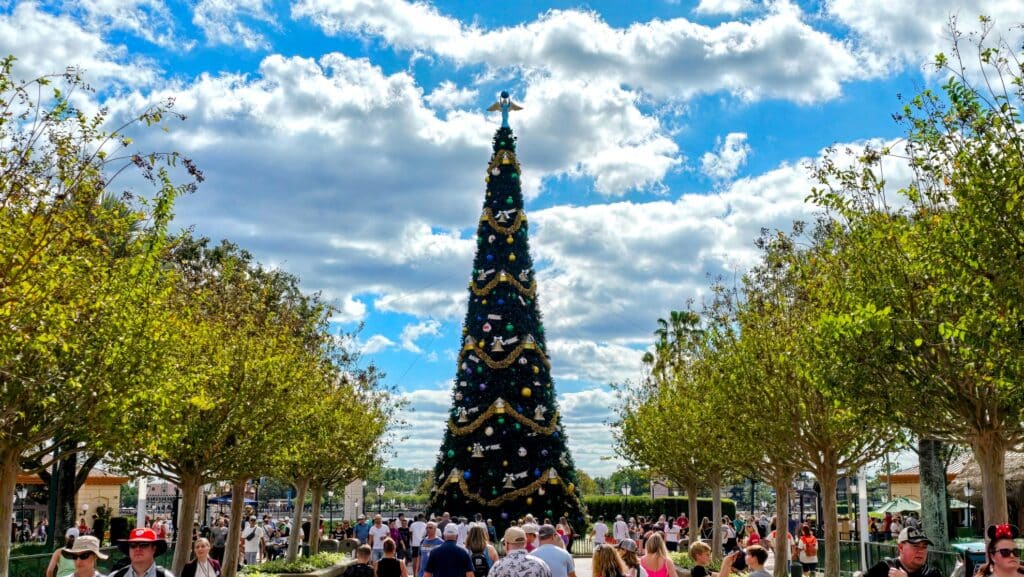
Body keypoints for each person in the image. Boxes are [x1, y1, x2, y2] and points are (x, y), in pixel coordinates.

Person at [864, 527, 942, 577]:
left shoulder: (931, 573)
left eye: (924, 547)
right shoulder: (884, 568)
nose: (921, 551)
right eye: (915, 546)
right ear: (901, 547)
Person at [109, 527, 175, 577]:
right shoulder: (115, 576)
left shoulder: (166, 576)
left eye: (144, 545)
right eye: (133, 545)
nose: (138, 548)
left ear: (154, 549)